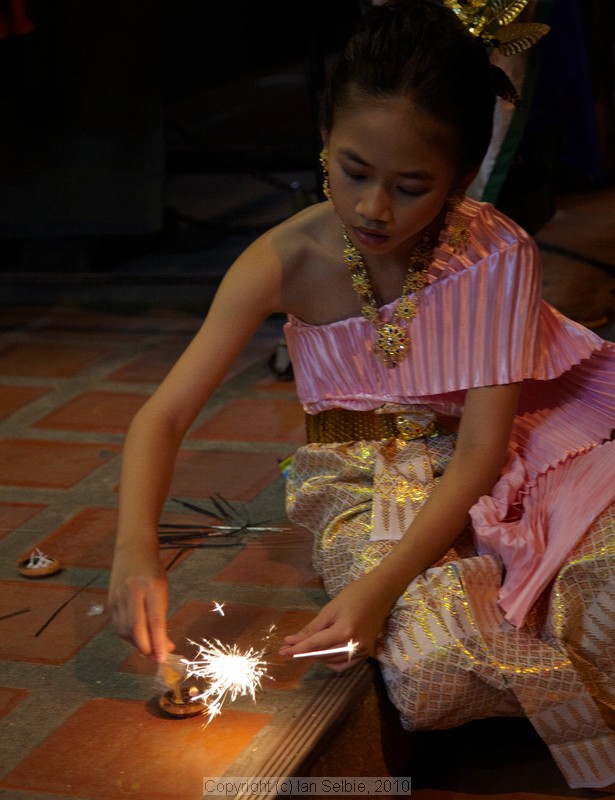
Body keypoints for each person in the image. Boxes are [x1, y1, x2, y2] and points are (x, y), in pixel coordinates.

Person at [109, 0, 615, 789]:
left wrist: (378, 590)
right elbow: (162, 414)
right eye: (353, 172)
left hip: (505, 456)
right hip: (359, 479)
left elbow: (480, 452)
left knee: (603, 582)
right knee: (432, 664)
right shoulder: (281, 259)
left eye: (411, 186)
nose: (374, 208)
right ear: (323, 137)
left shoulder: (496, 251)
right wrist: (135, 547)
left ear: (460, 178)